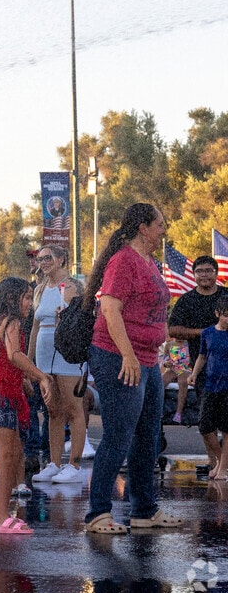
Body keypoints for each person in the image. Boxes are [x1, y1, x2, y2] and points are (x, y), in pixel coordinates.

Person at [83, 203, 183, 534]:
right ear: (143, 228)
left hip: (148, 358)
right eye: (160, 224)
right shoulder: (123, 261)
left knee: (148, 436)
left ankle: (144, 511)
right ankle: (97, 513)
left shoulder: (150, 262)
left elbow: (154, 309)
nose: (163, 230)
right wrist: (128, 356)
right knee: (119, 436)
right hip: (118, 356)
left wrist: (165, 343)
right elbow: (110, 309)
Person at [0, 278, 52, 534]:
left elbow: (1, 360)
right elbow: (14, 355)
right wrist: (40, 376)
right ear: (12, 299)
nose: (30, 304)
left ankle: (4, 514)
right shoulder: (12, 322)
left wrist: (23, 382)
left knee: (10, 454)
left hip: (2, 393)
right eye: (26, 298)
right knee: (3, 456)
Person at [27, 244, 90, 485]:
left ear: (61, 259)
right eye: (40, 258)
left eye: (47, 258)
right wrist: (30, 361)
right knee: (52, 410)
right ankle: (53, 463)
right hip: (44, 353)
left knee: (73, 408)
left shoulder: (72, 286)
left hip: (66, 352)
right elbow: (34, 325)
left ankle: (73, 464)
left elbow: (81, 319)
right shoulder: (40, 288)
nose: (43, 262)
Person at [168, 255, 228, 469]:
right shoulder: (187, 300)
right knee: (206, 422)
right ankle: (217, 460)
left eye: (208, 270)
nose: (204, 275)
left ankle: (218, 463)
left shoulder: (225, 296)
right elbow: (173, 329)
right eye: (200, 271)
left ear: (216, 273)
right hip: (203, 369)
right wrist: (201, 333)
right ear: (194, 275)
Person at [188, 294, 228, 480]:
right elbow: (202, 356)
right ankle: (222, 461)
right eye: (225, 315)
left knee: (226, 429)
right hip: (211, 385)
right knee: (205, 425)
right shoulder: (208, 333)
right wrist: (194, 374)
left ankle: (221, 470)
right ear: (217, 313)